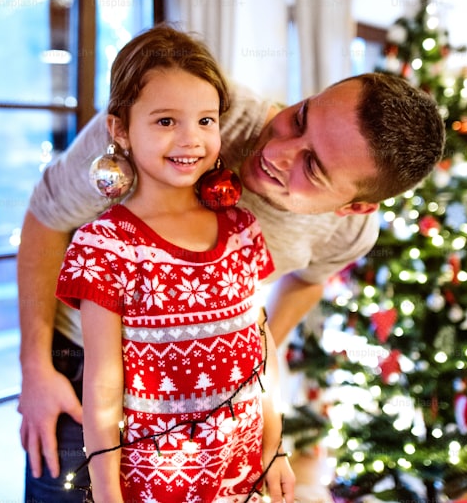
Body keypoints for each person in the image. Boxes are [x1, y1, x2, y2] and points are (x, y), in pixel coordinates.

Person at [18, 27, 446, 501]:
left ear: (353, 207)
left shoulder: (347, 233)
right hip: (81, 369)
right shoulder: (189, 108)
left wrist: (244, 373)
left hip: (208, 409)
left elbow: (308, 281)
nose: (276, 152)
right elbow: (46, 217)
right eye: (300, 116)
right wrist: (36, 366)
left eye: (313, 167)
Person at [53, 25, 294, 502]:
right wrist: (106, 493)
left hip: (242, 473)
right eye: (166, 121)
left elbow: (261, 353)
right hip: (154, 483)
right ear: (119, 128)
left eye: (206, 121)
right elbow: (102, 386)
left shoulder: (241, 227)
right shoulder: (107, 246)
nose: (191, 140)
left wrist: (276, 449)